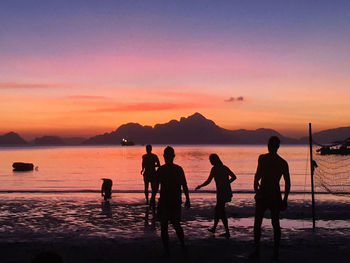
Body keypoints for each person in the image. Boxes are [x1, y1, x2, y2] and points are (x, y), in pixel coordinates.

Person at [252, 136, 291, 261]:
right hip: (274, 195)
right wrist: (285, 199)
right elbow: (288, 183)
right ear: (278, 147)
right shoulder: (282, 162)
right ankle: (275, 252)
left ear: (270, 145)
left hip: (264, 194)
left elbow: (257, 176)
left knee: (258, 224)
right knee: (275, 224)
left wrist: (256, 187)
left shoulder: (263, 158)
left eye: (269, 144)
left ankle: (258, 250)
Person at [154, 146, 190, 257]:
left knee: (165, 226)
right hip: (174, 200)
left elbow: (155, 186)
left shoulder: (161, 170)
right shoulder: (178, 169)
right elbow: (184, 185)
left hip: (165, 201)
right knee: (176, 224)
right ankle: (182, 244)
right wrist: (188, 199)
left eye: (165, 155)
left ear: (165, 156)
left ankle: (167, 250)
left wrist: (152, 199)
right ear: (173, 156)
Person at [195, 154, 236, 238]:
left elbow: (208, 180)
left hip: (222, 192)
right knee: (218, 210)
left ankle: (226, 232)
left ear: (214, 160)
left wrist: (201, 186)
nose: (210, 161)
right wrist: (227, 183)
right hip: (225, 191)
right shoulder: (224, 167)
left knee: (220, 211)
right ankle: (215, 228)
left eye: (211, 160)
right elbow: (233, 177)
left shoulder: (215, 169)